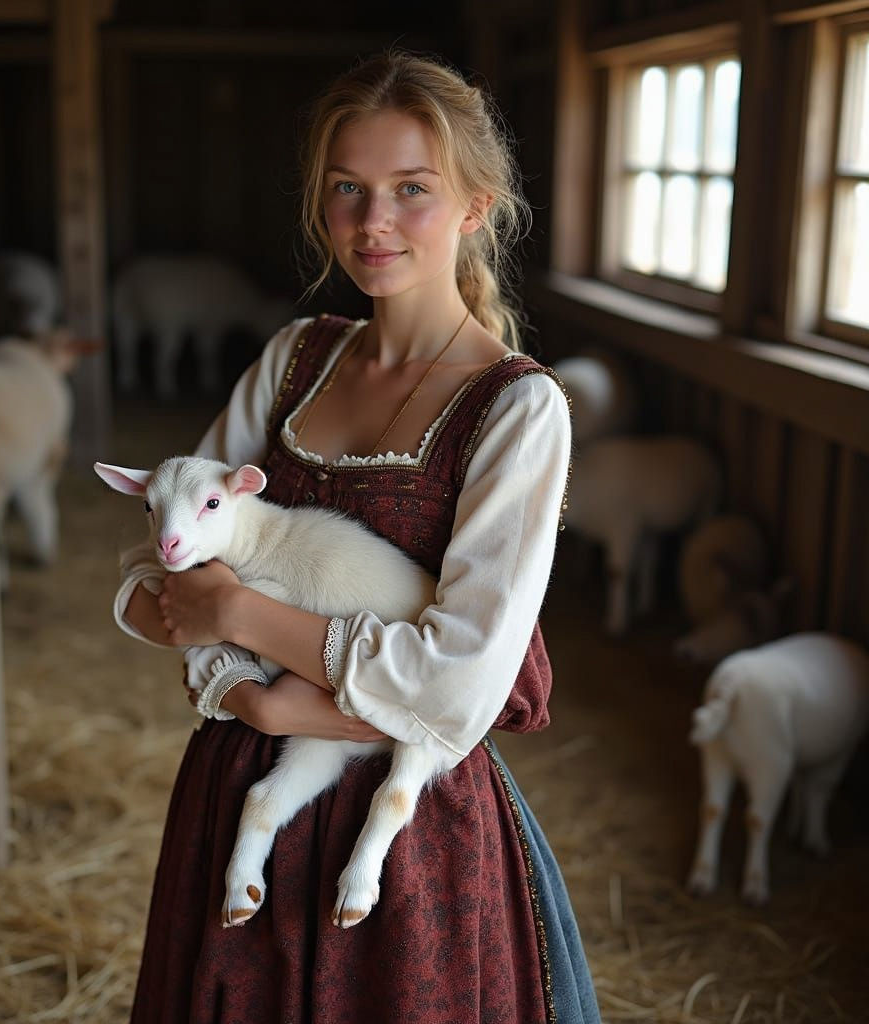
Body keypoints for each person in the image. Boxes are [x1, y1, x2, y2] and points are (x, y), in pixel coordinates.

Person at [113, 50, 601, 1024]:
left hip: (406, 832)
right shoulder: (292, 360)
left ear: (474, 205)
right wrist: (236, 691)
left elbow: (460, 685)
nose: (372, 223)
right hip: (238, 796)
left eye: (410, 190)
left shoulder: (517, 409)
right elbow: (150, 581)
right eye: (348, 189)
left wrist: (256, 652)